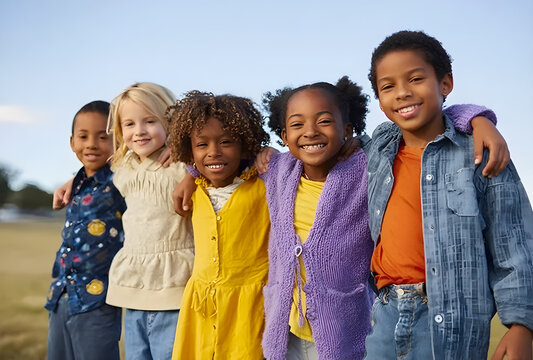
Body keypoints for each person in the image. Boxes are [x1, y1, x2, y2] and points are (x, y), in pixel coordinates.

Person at [257, 74, 510, 360]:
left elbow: (416, 120)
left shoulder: (368, 164)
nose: (310, 131)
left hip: (343, 328)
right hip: (285, 329)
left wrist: (478, 119)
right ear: (283, 135)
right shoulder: (277, 170)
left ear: (348, 129)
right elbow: (216, 157)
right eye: (297, 124)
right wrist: (192, 176)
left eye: (324, 121)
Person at [364, 30, 533, 360]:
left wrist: (522, 326)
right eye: (388, 87)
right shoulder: (378, 150)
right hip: (383, 314)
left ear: (445, 83)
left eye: (415, 79)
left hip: (449, 320)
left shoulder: (480, 154)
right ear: (380, 102)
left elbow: (514, 242)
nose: (402, 93)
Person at [166, 91, 270, 359]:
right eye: (202, 145)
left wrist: (268, 152)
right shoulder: (194, 189)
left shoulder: (265, 184)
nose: (213, 152)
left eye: (226, 142)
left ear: (246, 145)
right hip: (200, 306)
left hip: (250, 307)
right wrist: (190, 174)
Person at [105, 82, 194, 359]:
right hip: (134, 286)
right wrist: (73, 180)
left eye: (150, 121)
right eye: (129, 124)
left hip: (173, 285)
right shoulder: (124, 166)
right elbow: (94, 169)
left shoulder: (182, 164)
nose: (139, 131)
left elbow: (220, 156)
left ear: (171, 121)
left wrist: (186, 154)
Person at [45, 100, 126, 360]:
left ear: (119, 142)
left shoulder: (122, 179)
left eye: (103, 137)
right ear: (72, 142)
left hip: (97, 299)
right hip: (61, 293)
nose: (91, 143)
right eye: (83, 136)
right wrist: (72, 179)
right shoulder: (77, 184)